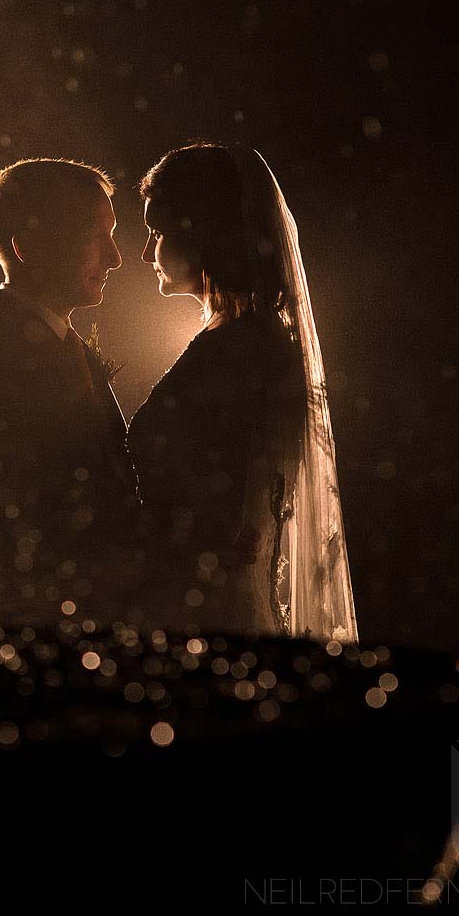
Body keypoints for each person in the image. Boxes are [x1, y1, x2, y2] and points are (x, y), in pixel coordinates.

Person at [127, 143, 359, 643]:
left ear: (204, 232)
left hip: (203, 617)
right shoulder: (251, 340)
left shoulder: (237, 351)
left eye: (158, 231)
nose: (146, 252)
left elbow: (220, 518)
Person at [0, 158, 143, 631]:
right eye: (96, 235)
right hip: (37, 645)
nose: (115, 258)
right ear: (28, 247)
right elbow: (8, 537)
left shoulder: (72, 350)